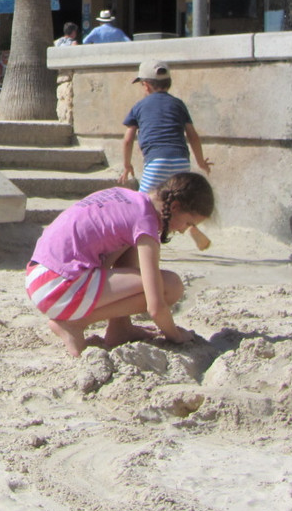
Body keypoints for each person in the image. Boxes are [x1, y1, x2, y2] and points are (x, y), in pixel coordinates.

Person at [25, 172, 214, 357]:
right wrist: (176, 335)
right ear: (175, 207)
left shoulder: (127, 198)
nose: (183, 231)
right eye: (188, 223)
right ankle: (75, 323)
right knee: (171, 286)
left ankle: (120, 327)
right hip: (58, 286)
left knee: (129, 244)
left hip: (38, 276)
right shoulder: (145, 222)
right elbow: (156, 307)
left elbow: (107, 257)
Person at [120, 60, 212, 249]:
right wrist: (200, 161)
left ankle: (138, 245)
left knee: (142, 204)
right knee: (177, 201)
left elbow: (128, 139)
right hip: (181, 161)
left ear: (145, 85)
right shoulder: (178, 104)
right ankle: (189, 226)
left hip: (156, 162)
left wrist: (127, 165)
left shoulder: (139, 106)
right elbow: (192, 135)